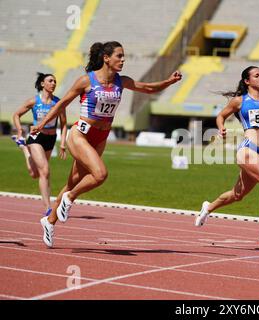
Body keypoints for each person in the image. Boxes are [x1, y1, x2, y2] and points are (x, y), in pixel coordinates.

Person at [31, 41, 182, 247]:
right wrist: (41, 123)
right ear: (106, 58)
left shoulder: (121, 81)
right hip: (80, 135)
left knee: (72, 183)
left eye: (123, 56)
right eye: (119, 56)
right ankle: (70, 198)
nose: (123, 60)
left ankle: (49, 221)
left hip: (100, 138)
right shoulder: (86, 80)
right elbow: (62, 103)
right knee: (100, 175)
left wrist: (169, 82)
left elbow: (147, 88)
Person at [194, 66, 259, 245]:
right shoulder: (240, 101)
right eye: (256, 75)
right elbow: (221, 116)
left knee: (237, 195)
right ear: (247, 81)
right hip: (247, 150)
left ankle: (208, 207)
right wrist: (221, 128)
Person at [12, 72, 68, 216]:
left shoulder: (58, 103)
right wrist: (19, 130)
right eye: (50, 81)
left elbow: (63, 124)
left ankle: (24, 148)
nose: (53, 83)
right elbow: (16, 114)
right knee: (45, 171)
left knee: (35, 174)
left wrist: (62, 143)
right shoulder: (34, 101)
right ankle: (48, 208)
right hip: (36, 137)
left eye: (55, 81)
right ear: (43, 84)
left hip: (50, 138)